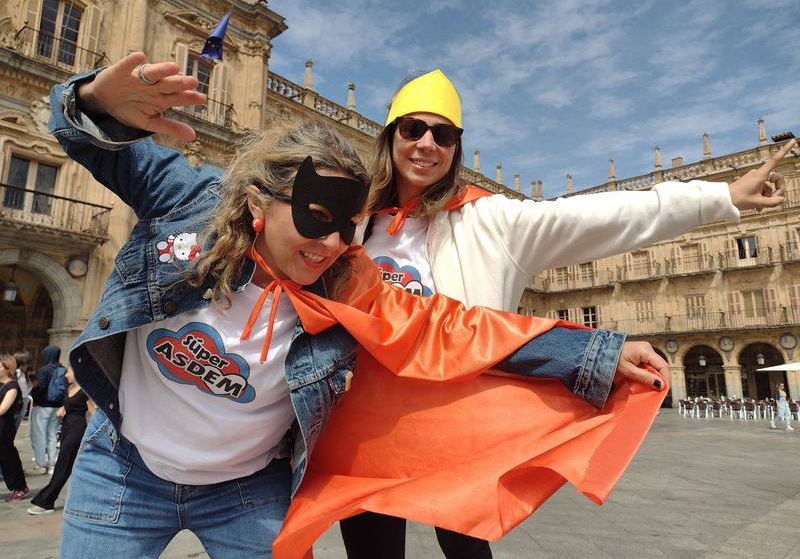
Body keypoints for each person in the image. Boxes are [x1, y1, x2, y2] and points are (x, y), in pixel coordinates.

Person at [47, 53, 667, 559]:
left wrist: (599, 350)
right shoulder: (195, 203)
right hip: (124, 472)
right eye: (316, 220)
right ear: (261, 205)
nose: (333, 245)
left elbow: (450, 326)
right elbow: (93, 140)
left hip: (247, 492)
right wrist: (95, 102)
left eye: (348, 227)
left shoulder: (348, 274)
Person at [334, 69, 797, 559]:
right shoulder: (354, 224)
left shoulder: (488, 220)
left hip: (456, 425)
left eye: (443, 134)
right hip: (365, 428)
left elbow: (596, 216)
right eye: (413, 130)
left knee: (467, 551)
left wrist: (718, 197)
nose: (427, 144)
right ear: (390, 137)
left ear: (455, 149)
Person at [28, 365, 95, 515]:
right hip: (65, 428)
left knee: (63, 467)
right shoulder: (70, 388)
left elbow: (94, 413)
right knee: (65, 466)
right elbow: (70, 405)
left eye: (69, 372)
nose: (66, 375)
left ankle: (46, 501)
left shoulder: (85, 391)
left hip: (76, 431)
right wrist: (63, 409)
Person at [28, 345, 64, 475]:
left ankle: (41, 464)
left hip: (43, 407)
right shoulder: (62, 369)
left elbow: (39, 387)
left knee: (39, 435)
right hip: (57, 407)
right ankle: (52, 465)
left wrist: (34, 399)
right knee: (52, 435)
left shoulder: (44, 370)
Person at [0, 353, 28, 501]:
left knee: (7, 457)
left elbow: (2, 409)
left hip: (4, 427)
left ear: (7, 368)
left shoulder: (12, 386)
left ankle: (20, 486)